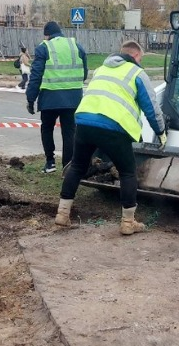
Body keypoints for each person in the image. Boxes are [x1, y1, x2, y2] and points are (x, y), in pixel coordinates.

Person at [54, 40, 166, 236]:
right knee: (127, 172)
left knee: (78, 166)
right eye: (141, 58)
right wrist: (161, 134)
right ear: (136, 56)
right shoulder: (137, 73)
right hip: (114, 127)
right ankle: (128, 222)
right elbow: (151, 108)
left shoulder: (101, 69)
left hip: (84, 122)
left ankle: (62, 214)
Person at [25, 21, 88, 174]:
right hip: (73, 98)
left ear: (47, 35)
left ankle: (50, 162)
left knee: (47, 129)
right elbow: (85, 72)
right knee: (69, 132)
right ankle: (67, 167)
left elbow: (36, 75)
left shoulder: (43, 47)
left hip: (50, 98)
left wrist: (30, 98)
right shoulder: (76, 46)